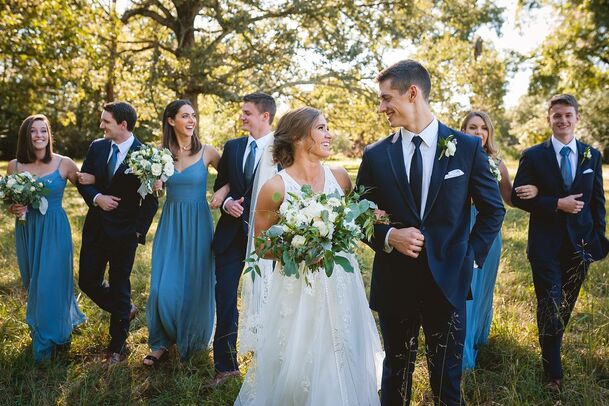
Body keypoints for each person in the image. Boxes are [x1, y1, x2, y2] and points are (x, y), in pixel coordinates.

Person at [356, 60, 505, 405]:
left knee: (447, 381)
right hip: (395, 283)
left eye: (385, 98)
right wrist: (389, 237)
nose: (381, 108)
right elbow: (356, 215)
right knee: (395, 376)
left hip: (449, 283)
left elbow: (493, 209)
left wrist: (471, 258)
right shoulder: (376, 155)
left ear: (412, 93)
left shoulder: (466, 148)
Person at [235, 106, 383, 405]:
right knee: (299, 358)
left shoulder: (340, 178)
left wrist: (371, 217)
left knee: (344, 350)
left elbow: (352, 219)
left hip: (342, 280)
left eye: (328, 128)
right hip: (298, 287)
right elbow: (262, 246)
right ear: (299, 137)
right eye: (321, 128)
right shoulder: (275, 188)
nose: (329, 134)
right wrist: (301, 251)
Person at [511, 94, 609, 392]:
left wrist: (598, 239)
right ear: (549, 119)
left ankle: (551, 343)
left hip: (580, 245)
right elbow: (517, 196)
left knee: (564, 307)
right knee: (550, 305)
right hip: (545, 247)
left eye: (568, 115)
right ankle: (553, 372)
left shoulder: (592, 155)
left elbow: (597, 203)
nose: (563, 120)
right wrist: (556, 202)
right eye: (557, 116)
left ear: (577, 118)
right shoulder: (533, 155)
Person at [143, 99, 227, 365]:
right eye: (185, 116)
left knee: (195, 284)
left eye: (193, 116)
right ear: (171, 121)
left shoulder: (208, 152)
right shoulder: (159, 153)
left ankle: (192, 342)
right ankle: (161, 341)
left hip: (199, 222)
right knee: (161, 287)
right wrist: (153, 184)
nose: (191, 121)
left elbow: (233, 177)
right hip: (171, 222)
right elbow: (149, 191)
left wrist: (222, 191)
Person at [77, 101, 159, 365]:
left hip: (125, 232)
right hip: (96, 227)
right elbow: (84, 181)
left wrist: (137, 232)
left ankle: (117, 347)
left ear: (123, 125)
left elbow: (151, 201)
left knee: (120, 284)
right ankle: (126, 310)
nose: (101, 125)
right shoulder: (97, 147)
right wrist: (97, 196)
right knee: (87, 281)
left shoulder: (146, 154)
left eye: (106, 122)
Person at [459, 111, 538, 369]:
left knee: (483, 288)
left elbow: (509, 198)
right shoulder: (454, 158)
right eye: (473, 127)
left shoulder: (497, 163)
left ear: (489, 133)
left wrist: (536, 190)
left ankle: (478, 339)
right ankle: (462, 354)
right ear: (464, 130)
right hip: (462, 229)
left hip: (490, 233)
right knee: (465, 288)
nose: (479, 132)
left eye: (483, 128)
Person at [6, 114, 87, 362]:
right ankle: (53, 323)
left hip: (54, 228)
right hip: (28, 229)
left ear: (49, 135)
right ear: (25, 136)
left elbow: (85, 184)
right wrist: (14, 208)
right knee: (34, 282)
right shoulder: (15, 165)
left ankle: (48, 338)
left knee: (50, 281)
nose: (39, 136)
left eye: (43, 131)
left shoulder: (64, 163)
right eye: (33, 131)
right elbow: (11, 199)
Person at [210, 92, 277, 386]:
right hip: (230, 237)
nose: (242, 117)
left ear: (265, 116)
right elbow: (221, 183)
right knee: (225, 298)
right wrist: (226, 204)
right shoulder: (233, 147)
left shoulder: (283, 149)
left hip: (267, 239)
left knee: (271, 299)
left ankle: (272, 364)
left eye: (247, 112)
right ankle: (226, 366)